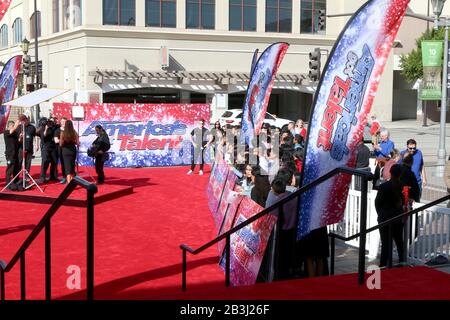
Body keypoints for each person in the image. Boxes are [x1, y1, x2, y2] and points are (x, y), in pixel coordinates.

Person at [375, 164, 405, 267]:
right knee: (399, 241)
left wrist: (380, 214)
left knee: (385, 243)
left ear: (390, 173)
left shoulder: (384, 186)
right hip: (397, 216)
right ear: (400, 174)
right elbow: (403, 202)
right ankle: (402, 261)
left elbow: (377, 202)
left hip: (385, 217)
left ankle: (383, 264)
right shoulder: (402, 186)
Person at [38, 117, 58, 183]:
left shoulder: (53, 127)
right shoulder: (42, 128)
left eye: (50, 122)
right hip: (45, 147)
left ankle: (53, 176)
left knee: (54, 161)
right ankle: (42, 177)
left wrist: (53, 122)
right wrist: (46, 129)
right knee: (45, 162)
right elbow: (43, 137)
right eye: (48, 122)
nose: (49, 123)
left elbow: (57, 126)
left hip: (53, 147)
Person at [4, 120, 20, 188]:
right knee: (10, 168)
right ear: (9, 126)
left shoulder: (15, 133)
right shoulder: (6, 132)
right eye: (12, 126)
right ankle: (8, 182)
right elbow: (11, 130)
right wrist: (18, 121)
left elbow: (18, 141)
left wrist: (20, 137)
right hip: (9, 153)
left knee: (16, 167)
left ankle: (16, 181)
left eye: (14, 126)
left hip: (16, 153)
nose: (14, 127)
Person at [54, 117, 67, 183]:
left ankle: (70, 177)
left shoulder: (69, 130)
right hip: (61, 150)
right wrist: (64, 140)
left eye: (64, 122)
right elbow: (56, 140)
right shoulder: (57, 130)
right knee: (63, 164)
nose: (63, 123)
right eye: (62, 122)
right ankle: (64, 177)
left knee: (69, 164)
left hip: (69, 150)